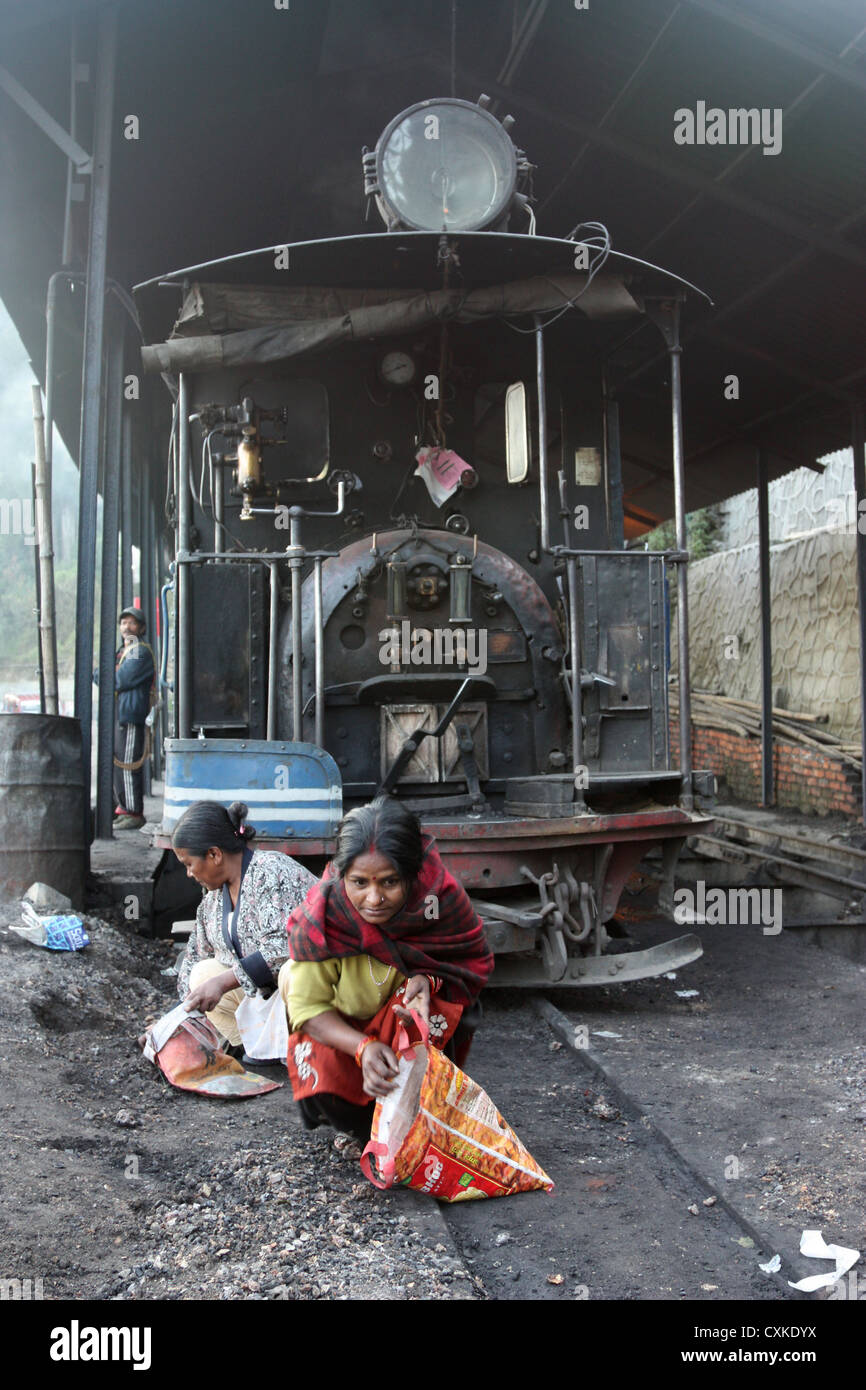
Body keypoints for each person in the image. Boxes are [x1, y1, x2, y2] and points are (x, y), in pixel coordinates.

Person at [281, 796, 494, 1142]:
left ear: (412, 876)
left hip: (403, 1018)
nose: (374, 899)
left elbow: (469, 965)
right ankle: (360, 1123)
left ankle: (423, 1111)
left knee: (456, 1005)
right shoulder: (323, 919)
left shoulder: (437, 901)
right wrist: (363, 1048)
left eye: (389, 882)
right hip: (343, 1029)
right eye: (360, 882)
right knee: (326, 1072)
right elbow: (308, 1009)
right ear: (341, 874)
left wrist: (429, 979)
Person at [173, 800, 316, 1056]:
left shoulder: (271, 871)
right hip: (270, 998)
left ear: (214, 854)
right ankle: (256, 1048)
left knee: (292, 972)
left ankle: (303, 1049)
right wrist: (173, 1025)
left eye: (188, 864)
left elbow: (285, 949)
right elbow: (196, 956)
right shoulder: (213, 900)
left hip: (315, 990)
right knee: (201, 973)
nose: (189, 874)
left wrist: (223, 982)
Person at [113, 607, 156, 830]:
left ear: (141, 628)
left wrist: (107, 674)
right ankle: (124, 807)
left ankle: (133, 812)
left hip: (131, 714)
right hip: (123, 713)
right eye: (123, 623)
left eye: (131, 623)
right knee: (120, 763)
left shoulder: (139, 651)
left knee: (128, 764)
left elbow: (121, 679)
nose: (126, 627)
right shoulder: (124, 650)